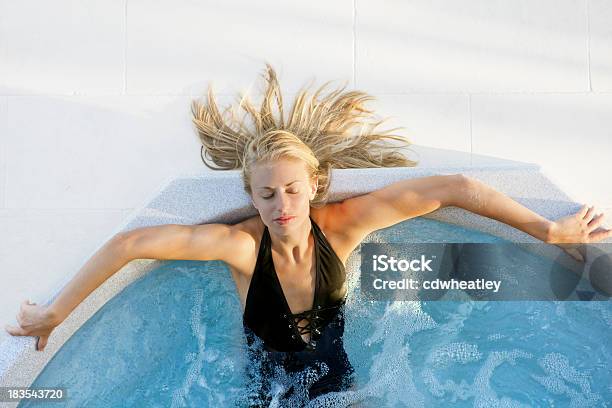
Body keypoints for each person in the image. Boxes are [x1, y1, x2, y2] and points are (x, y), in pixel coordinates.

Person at [5, 64, 611, 405]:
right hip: (263, 395)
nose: (281, 205)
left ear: (315, 184)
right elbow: (130, 246)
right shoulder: (242, 249)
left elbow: (452, 187)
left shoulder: (341, 230)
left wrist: (546, 229)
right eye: (266, 195)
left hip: (343, 389)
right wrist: (56, 313)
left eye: (291, 190)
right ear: (251, 196)